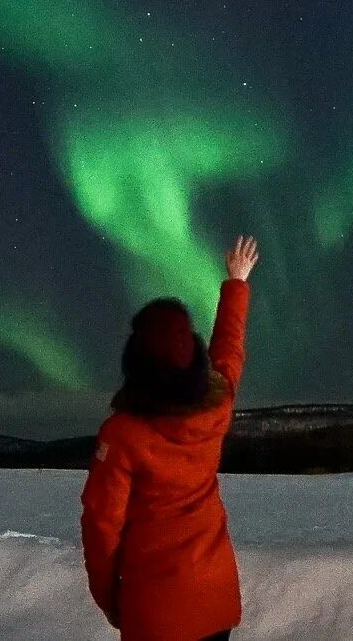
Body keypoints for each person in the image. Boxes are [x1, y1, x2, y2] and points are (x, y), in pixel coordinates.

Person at [80, 234, 259, 641]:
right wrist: (237, 282)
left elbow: (101, 525)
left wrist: (112, 600)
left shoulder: (123, 435)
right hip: (214, 602)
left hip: (155, 615)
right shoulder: (217, 407)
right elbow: (229, 352)